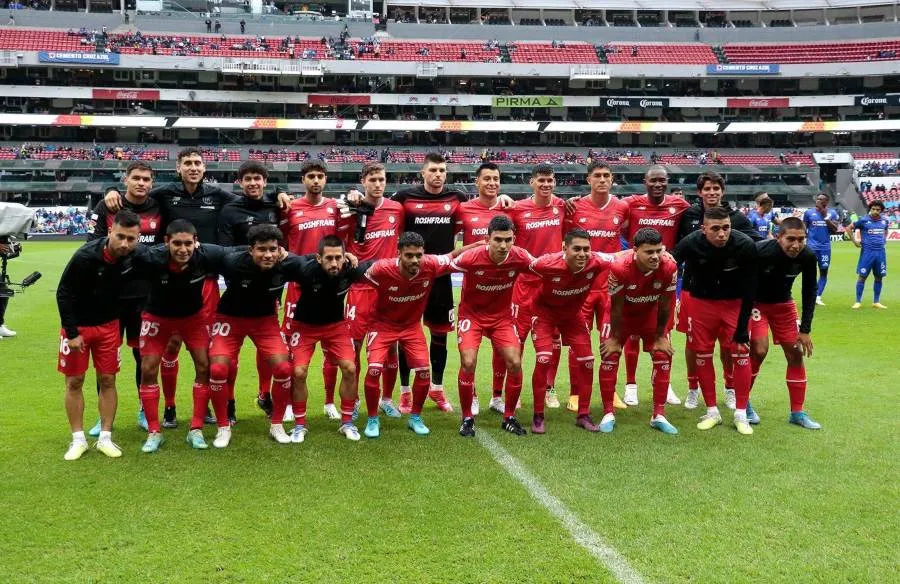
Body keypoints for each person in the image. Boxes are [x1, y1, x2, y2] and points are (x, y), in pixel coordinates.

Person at [104, 148, 290, 425]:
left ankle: (206, 408)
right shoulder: (164, 194)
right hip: (169, 277)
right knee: (170, 348)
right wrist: (111, 189)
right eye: (188, 163)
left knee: (205, 349)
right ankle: (169, 407)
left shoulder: (218, 196)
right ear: (178, 168)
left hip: (207, 280)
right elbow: (137, 196)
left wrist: (277, 193)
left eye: (198, 163)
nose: (193, 167)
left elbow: (251, 197)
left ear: (204, 168)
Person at [129, 220, 236, 451]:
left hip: (193, 318)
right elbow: (121, 254)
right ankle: (154, 432)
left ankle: (195, 429)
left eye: (188, 243)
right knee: (148, 369)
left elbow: (235, 252)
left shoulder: (206, 255)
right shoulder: (151, 258)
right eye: (176, 243)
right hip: (157, 317)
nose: (183, 249)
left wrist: (280, 251)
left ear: (196, 243)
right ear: (166, 242)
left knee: (204, 366)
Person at [360, 232, 473, 438]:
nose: (415, 260)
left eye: (418, 255)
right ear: (399, 254)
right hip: (382, 325)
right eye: (409, 255)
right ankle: (372, 419)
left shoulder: (430, 264)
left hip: (411, 326)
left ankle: (415, 418)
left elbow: (454, 255)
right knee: (375, 369)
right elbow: (357, 278)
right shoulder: (381, 269)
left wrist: (483, 245)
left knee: (423, 371)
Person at [56, 210, 142, 460]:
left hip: (109, 327)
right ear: (111, 232)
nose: (125, 244)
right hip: (78, 328)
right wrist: (72, 333)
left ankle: (105, 437)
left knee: (108, 380)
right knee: (74, 381)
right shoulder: (85, 256)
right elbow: (63, 293)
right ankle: (78, 439)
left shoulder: (134, 256)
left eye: (131, 239)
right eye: (120, 237)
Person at [85, 160, 162, 435]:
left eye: (146, 179)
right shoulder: (107, 206)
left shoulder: (159, 205)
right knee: (106, 361)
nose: (142, 183)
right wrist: (108, 191)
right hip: (110, 299)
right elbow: (91, 245)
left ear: (152, 183)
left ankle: (145, 410)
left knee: (145, 359)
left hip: (146, 298)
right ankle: (103, 417)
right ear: (125, 179)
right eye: (137, 178)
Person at [206, 225, 300, 445]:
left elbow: (315, 262)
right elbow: (206, 251)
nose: (267, 255)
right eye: (261, 249)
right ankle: (223, 427)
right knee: (218, 368)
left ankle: (276, 424)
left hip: (264, 321)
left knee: (283, 367)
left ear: (280, 250)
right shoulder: (232, 261)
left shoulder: (288, 263)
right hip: (230, 318)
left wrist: (348, 257)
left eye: (272, 249)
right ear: (250, 250)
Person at [676, 171, 762, 411]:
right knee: (693, 343)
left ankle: (730, 387)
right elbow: (676, 250)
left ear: (722, 192)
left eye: (716, 189)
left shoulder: (737, 219)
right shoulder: (689, 215)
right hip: (693, 290)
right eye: (707, 189)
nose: (712, 193)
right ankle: (693, 389)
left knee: (729, 344)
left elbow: (756, 244)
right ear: (699, 192)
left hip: (729, 293)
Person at [451, 214, 534, 437]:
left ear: (514, 239)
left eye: (508, 239)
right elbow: (442, 266)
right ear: (488, 239)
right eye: (498, 239)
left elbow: (544, 268)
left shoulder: (520, 256)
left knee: (515, 362)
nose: (503, 245)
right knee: (468, 362)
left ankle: (509, 417)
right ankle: (467, 418)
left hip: (502, 318)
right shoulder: (471, 257)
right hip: (472, 316)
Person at [281, 235, 369, 443]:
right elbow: (281, 258)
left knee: (350, 368)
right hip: (304, 326)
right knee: (299, 372)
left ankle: (347, 422)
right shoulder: (304, 267)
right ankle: (300, 425)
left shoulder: (351, 268)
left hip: (336, 326)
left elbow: (380, 265)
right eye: (328, 258)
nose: (334, 263)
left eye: (338, 257)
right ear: (318, 258)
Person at [528, 229, 615, 434]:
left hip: (573, 316)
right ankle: (538, 415)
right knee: (543, 358)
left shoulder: (597, 261)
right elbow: (522, 265)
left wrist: (664, 253)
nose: (582, 254)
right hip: (544, 314)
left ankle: (583, 414)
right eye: (576, 249)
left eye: (586, 249)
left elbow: (623, 256)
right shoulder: (546, 263)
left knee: (587, 360)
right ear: (564, 248)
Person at [218, 160, 286, 417]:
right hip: (239, 286)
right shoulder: (230, 210)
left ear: (265, 181)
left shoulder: (274, 204)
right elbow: (224, 249)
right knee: (229, 355)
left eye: (258, 178)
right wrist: (252, 258)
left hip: (270, 288)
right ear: (240, 182)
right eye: (248, 179)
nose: (253, 183)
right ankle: (230, 401)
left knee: (267, 350)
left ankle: (264, 393)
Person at [620, 166, 690, 408]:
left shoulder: (680, 205)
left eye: (662, 180)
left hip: (666, 278)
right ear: (645, 181)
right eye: (653, 180)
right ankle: (630, 386)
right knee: (632, 334)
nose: (658, 184)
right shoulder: (631, 204)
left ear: (668, 181)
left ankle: (664, 382)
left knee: (664, 332)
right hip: (634, 276)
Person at [599, 228, 678, 434]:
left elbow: (665, 305)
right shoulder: (620, 267)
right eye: (649, 252)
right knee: (610, 355)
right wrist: (615, 338)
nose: (655, 256)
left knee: (663, 354)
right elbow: (616, 306)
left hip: (650, 314)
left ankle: (658, 415)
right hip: (621, 316)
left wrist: (660, 336)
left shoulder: (669, 267)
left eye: (658, 251)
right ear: (635, 250)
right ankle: (608, 412)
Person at [564, 161, 628, 412]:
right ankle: (576, 393)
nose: (602, 179)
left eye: (606, 176)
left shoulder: (623, 207)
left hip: (610, 289)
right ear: (588, 179)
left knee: (612, 341)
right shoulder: (574, 207)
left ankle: (611, 394)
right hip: (581, 289)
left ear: (612, 180)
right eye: (597, 176)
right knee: (579, 343)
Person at [280, 160, 341, 419]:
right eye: (311, 176)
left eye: (320, 176)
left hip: (330, 286)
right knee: (293, 350)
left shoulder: (336, 208)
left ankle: (329, 402)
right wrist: (278, 194)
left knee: (332, 349)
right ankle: (290, 405)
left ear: (325, 179)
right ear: (303, 180)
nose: (316, 181)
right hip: (298, 287)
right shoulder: (290, 208)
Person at [342, 163, 404, 417]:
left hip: (389, 289)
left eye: (382, 179)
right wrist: (349, 195)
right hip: (360, 288)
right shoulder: (350, 208)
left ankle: (387, 399)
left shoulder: (396, 209)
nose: (378, 184)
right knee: (354, 346)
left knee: (391, 347)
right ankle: (355, 400)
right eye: (373, 180)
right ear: (363, 181)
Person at [750, 216, 821, 430]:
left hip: (784, 305)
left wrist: (806, 329)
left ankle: (797, 412)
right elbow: (743, 284)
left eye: (801, 239)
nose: (796, 245)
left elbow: (809, 291)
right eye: (791, 239)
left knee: (796, 354)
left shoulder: (808, 256)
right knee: (759, 351)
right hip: (756, 304)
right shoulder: (761, 251)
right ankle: (742, 403)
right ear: (778, 236)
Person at [508, 164, 567, 410]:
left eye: (550, 180)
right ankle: (515, 389)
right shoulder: (517, 209)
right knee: (517, 339)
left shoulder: (563, 207)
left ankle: (550, 388)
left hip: (553, 284)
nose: (546, 184)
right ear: (531, 182)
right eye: (541, 180)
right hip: (524, 284)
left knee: (553, 339)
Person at [454, 162, 509, 414]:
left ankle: (498, 396)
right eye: (486, 178)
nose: (492, 183)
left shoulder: (511, 209)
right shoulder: (463, 209)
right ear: (476, 182)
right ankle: (472, 394)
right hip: (473, 294)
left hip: (503, 293)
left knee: (503, 349)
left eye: (496, 179)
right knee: (470, 354)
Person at [802, 193, 841, 306]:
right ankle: (809, 295)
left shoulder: (832, 213)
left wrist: (825, 217)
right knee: (809, 272)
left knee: (823, 272)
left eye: (821, 199)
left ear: (826, 202)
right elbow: (804, 229)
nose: (818, 201)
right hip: (811, 247)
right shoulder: (809, 213)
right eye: (817, 198)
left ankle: (818, 296)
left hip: (825, 248)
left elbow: (835, 229)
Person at [850, 200, 888, 309]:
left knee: (879, 277)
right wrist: (854, 241)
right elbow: (849, 228)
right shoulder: (863, 220)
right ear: (870, 209)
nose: (875, 211)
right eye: (873, 209)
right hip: (867, 253)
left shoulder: (884, 221)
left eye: (878, 210)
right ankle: (858, 301)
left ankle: (876, 301)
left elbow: (886, 231)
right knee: (862, 277)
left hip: (880, 253)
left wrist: (884, 240)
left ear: (881, 211)